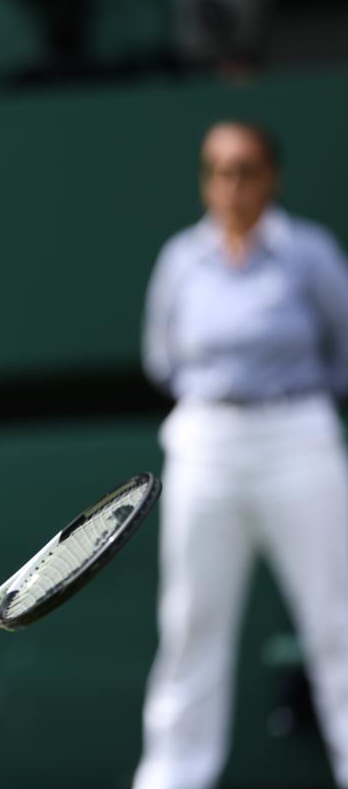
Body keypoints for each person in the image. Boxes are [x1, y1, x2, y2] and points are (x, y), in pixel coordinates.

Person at [134, 121, 348, 789]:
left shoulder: (309, 253)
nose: (231, 185)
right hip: (206, 445)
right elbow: (162, 357)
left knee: (337, 617)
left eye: (246, 169)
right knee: (191, 621)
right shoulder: (180, 259)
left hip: (299, 436)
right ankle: (173, 776)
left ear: (271, 177)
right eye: (218, 171)